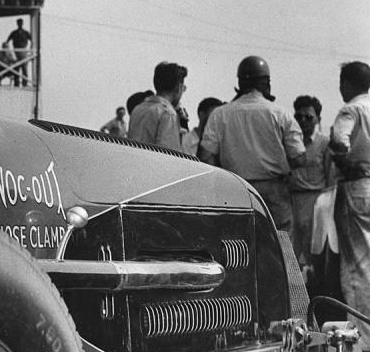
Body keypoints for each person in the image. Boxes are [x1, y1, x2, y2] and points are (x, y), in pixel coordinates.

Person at [199, 56, 305, 232]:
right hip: (274, 191)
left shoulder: (220, 114)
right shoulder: (280, 113)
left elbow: (206, 156)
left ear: (240, 83)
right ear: (266, 83)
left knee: (238, 243)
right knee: (281, 245)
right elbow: (299, 157)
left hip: (235, 189)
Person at [329, 61, 370, 341]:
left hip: (357, 186)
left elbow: (339, 141)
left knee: (357, 265)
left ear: (349, 83)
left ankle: (363, 337)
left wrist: (342, 161)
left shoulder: (351, 109)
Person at [288, 95, 334, 282]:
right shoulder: (291, 141)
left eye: (309, 117)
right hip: (292, 200)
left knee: (314, 252)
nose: (303, 121)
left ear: (318, 119)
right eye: (299, 117)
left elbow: (331, 178)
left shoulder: (324, 143)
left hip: (316, 201)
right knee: (291, 251)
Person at [127, 62, 188, 150]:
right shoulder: (168, 113)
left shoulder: (138, 109)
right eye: (183, 88)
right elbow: (168, 155)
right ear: (178, 87)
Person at [3, 19, 31, 87]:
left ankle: (25, 83)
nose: (20, 24)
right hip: (15, 51)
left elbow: (32, 40)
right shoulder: (14, 33)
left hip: (23, 51)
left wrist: (30, 50)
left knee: (24, 68)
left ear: (22, 23)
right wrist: (6, 47)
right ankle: (17, 83)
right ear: (17, 24)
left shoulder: (26, 32)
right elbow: (7, 41)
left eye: (21, 23)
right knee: (16, 68)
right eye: (19, 23)